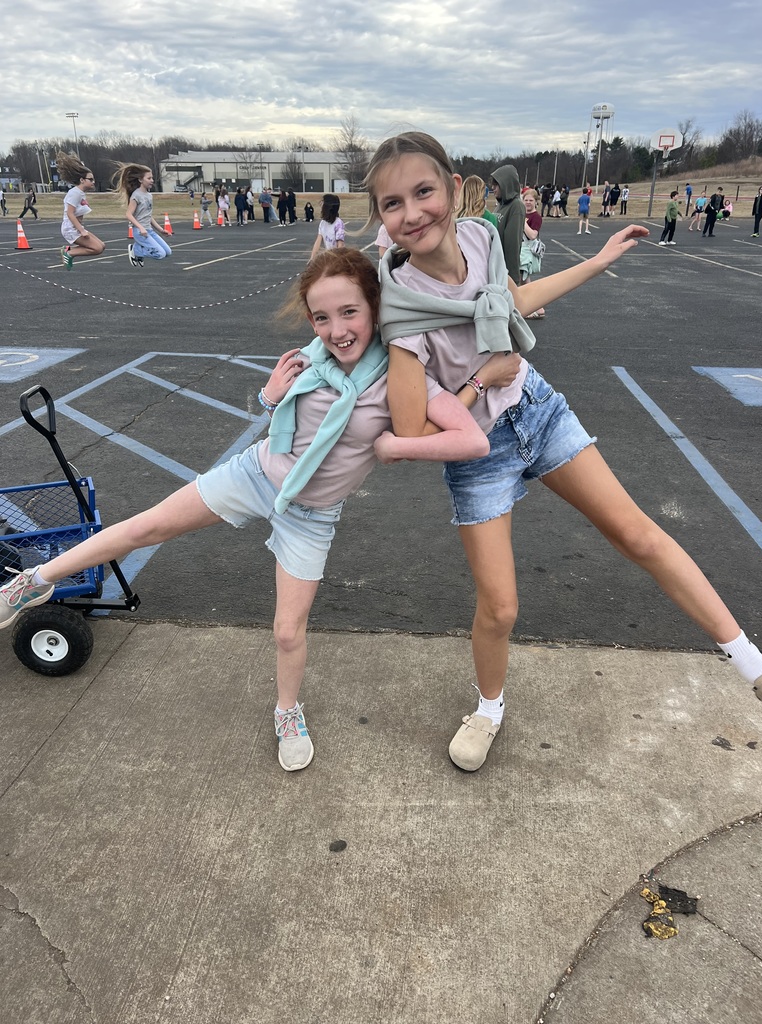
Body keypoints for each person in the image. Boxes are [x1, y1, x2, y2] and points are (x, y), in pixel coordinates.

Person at [0, 248, 500, 772]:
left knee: (287, 630)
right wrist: (269, 397)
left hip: (311, 514)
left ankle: (288, 712)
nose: (336, 330)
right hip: (255, 474)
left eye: (349, 312)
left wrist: (397, 444)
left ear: (375, 307)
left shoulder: (401, 379)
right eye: (322, 317)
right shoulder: (311, 360)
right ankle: (32, 582)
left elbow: (472, 440)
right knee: (145, 527)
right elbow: (286, 423)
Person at [366, 130, 762, 772]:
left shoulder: (479, 238)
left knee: (637, 533)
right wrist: (481, 381)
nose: (412, 213)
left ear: (452, 187)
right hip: (478, 451)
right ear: (380, 215)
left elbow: (516, 301)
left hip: (537, 408)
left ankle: (754, 665)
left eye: (423, 192)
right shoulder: (400, 308)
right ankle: (489, 708)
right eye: (392, 203)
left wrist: (599, 261)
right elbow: (413, 429)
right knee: (500, 606)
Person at [114, 163, 173, 267]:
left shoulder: (149, 195)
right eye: (149, 178)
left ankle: (140, 251)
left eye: (152, 178)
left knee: (168, 252)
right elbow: (128, 214)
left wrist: (161, 230)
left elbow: (148, 216)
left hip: (149, 230)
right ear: (141, 180)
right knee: (160, 254)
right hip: (140, 232)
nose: (152, 180)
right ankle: (136, 250)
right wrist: (140, 228)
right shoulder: (136, 195)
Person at [55, 152, 106, 269]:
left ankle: (68, 250)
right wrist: (81, 231)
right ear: (82, 180)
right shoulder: (75, 193)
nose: (93, 182)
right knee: (97, 248)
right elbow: (70, 213)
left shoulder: (80, 193)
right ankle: (69, 253)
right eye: (90, 179)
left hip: (76, 228)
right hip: (70, 229)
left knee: (102, 245)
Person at [490, 165, 525, 285]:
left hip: (505, 272)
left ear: (506, 185)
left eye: (496, 185)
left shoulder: (516, 206)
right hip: (494, 267)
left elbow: (513, 244)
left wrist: (513, 278)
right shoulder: (500, 205)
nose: (493, 188)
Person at [519, 188, 545, 319]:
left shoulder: (536, 217)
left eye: (531, 200)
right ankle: (537, 308)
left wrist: (523, 223)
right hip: (519, 249)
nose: (528, 202)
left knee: (524, 280)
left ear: (536, 202)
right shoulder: (521, 214)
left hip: (526, 251)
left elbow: (533, 235)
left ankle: (532, 308)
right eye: (526, 200)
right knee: (523, 281)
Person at [309, 193, 344, 259]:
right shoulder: (323, 223)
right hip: (329, 257)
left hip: (336, 258)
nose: (321, 204)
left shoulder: (338, 223)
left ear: (328, 206)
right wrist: (312, 259)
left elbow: (340, 245)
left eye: (323, 202)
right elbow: (317, 242)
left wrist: (337, 261)